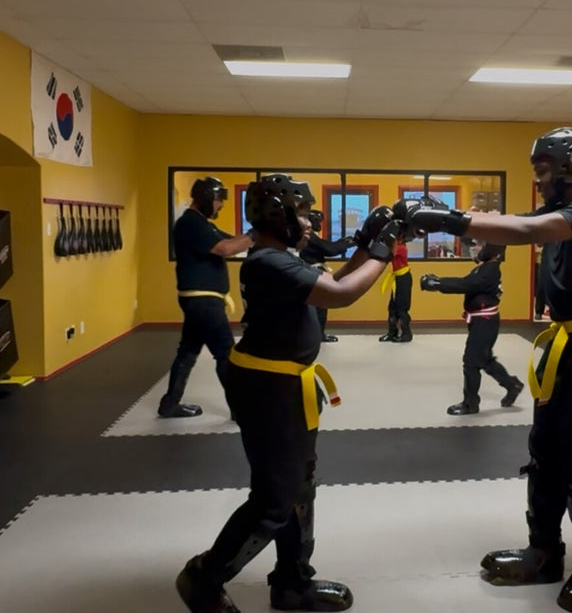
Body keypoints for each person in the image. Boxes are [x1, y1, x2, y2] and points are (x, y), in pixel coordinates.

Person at [400, 127, 572, 613]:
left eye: (544, 169)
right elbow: (511, 221)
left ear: (571, 164)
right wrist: (434, 216)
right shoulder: (558, 211)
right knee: (545, 449)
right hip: (567, 341)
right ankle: (544, 551)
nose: (539, 179)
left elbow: (526, 231)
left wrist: (451, 219)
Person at [174, 173, 405, 613]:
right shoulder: (268, 262)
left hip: (283, 385)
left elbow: (327, 285)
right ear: (279, 215)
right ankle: (203, 577)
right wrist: (385, 250)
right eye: (302, 214)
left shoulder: (280, 258)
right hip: (268, 389)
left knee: (300, 488)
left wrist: (365, 242)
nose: (310, 223)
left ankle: (292, 583)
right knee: (274, 500)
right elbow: (340, 295)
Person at [159, 177, 252, 419]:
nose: (221, 206)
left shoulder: (202, 224)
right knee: (226, 354)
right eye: (219, 201)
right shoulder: (190, 224)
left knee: (188, 352)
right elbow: (226, 249)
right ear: (207, 199)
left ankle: (169, 404)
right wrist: (257, 232)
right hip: (203, 303)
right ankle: (241, 409)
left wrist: (258, 237)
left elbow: (232, 242)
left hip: (199, 301)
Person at [420, 242, 524, 415]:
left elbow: (465, 284)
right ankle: (512, 385)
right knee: (484, 359)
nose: (474, 248)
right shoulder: (485, 268)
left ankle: (470, 404)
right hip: (482, 321)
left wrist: (437, 283)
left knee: (470, 362)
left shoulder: (490, 270)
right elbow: (469, 284)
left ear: (492, 250)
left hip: (485, 322)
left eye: (478, 245)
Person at [300, 210, 356, 343]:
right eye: (317, 221)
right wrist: (347, 244)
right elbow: (329, 249)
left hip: (311, 272)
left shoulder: (310, 236)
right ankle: (317, 335)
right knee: (319, 307)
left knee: (319, 307)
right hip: (312, 273)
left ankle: (318, 334)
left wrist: (342, 242)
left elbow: (326, 246)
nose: (319, 224)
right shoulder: (308, 236)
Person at [378, 237, 413, 342]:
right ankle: (392, 333)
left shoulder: (401, 248)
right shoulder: (396, 246)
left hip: (403, 278)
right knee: (392, 307)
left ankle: (406, 334)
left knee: (402, 308)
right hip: (397, 278)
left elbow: (385, 254)